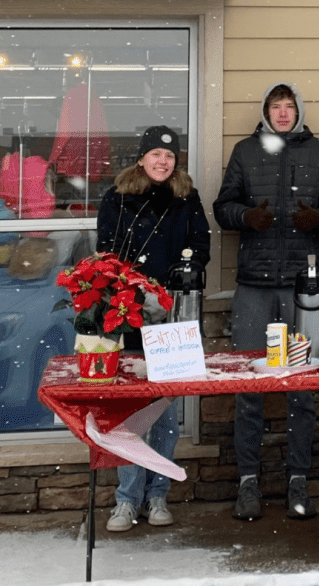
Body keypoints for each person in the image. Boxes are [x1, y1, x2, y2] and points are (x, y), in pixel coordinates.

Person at [213, 82, 319, 521]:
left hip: (302, 290)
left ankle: (298, 482)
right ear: (266, 111)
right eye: (276, 107)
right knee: (249, 388)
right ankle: (248, 483)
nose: (284, 113)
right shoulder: (246, 151)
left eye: (290, 107)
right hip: (253, 286)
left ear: (299, 111)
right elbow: (223, 206)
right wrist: (247, 217)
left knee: (302, 387)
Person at [97, 126, 211, 532]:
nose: (163, 162)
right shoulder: (117, 198)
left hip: (173, 317)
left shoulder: (187, 198)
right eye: (156, 155)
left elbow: (201, 244)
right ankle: (126, 500)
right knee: (129, 413)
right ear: (142, 158)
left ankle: (158, 494)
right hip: (128, 313)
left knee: (162, 411)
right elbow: (107, 252)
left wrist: (188, 268)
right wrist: (130, 288)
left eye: (169, 156)